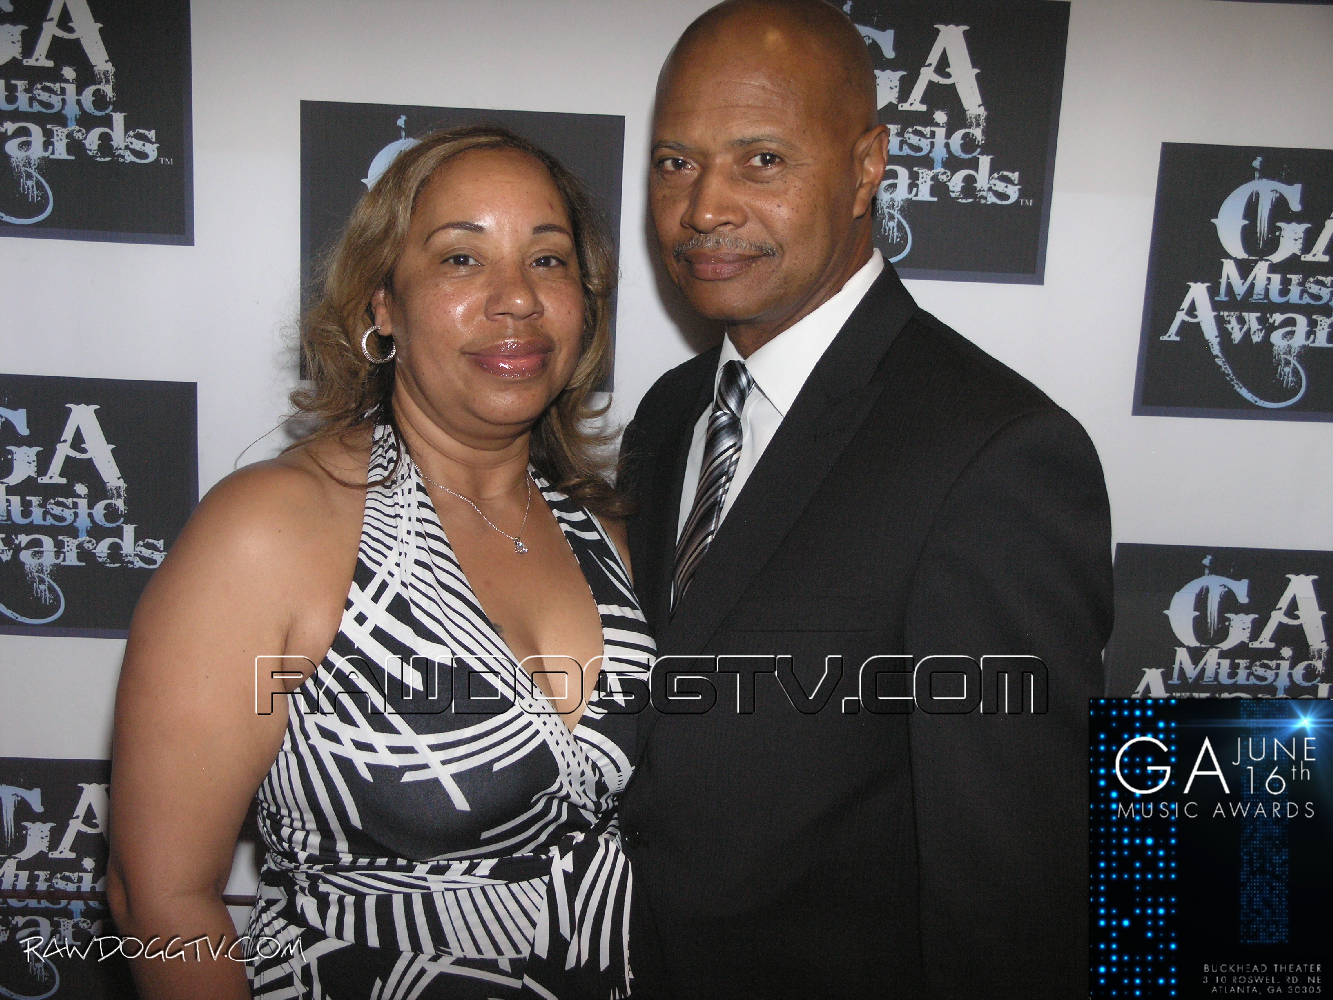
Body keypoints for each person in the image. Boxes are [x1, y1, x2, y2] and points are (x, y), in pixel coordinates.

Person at [615, 1, 1113, 997]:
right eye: (675, 162)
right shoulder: (670, 411)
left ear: (865, 166)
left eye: (761, 160)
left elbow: (1014, 892)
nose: (704, 207)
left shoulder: (996, 454)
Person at [107, 125, 652, 1000]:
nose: (517, 298)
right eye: (461, 259)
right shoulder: (270, 530)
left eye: (547, 261)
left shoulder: (607, 533)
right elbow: (158, 898)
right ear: (382, 305)